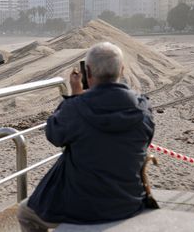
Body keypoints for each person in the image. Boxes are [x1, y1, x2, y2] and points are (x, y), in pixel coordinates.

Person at [17, 42, 155, 232]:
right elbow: (145, 141)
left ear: (87, 72)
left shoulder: (76, 108)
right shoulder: (143, 108)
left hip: (82, 208)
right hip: (128, 201)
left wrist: (74, 96)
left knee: (25, 213)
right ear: (121, 70)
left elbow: (54, 135)